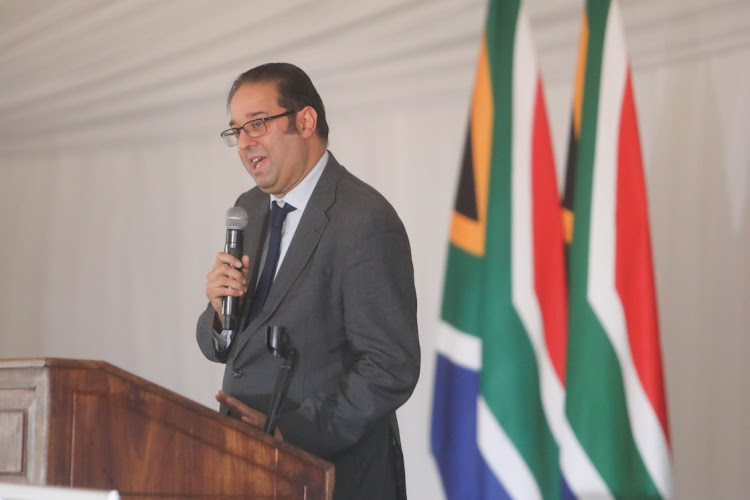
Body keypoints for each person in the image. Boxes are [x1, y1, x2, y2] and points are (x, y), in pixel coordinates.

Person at [195, 62, 420, 499]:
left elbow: (390, 365)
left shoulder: (364, 219)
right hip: (249, 468)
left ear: (305, 120)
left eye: (257, 124)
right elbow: (223, 346)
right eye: (236, 131)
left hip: (329, 473)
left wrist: (289, 433)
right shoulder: (251, 209)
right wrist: (221, 315)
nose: (244, 143)